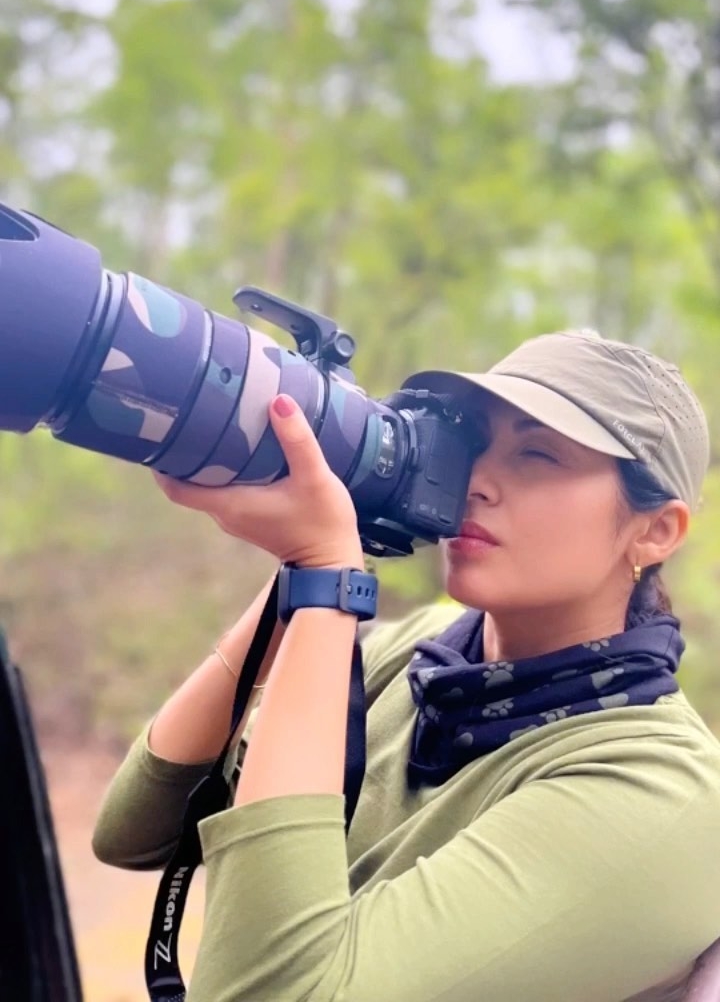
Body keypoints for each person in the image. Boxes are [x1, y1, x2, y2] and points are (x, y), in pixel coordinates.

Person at [93, 330, 720, 1002]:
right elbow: (134, 830)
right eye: (474, 444)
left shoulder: (663, 792)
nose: (476, 481)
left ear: (654, 531)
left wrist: (328, 575)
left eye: (537, 454)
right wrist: (308, 567)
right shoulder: (414, 652)